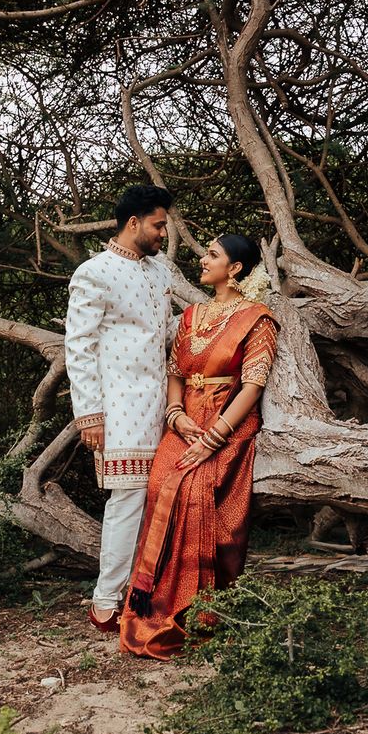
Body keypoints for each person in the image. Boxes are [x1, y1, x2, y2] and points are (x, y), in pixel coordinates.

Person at [119, 233, 279, 659]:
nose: (203, 260)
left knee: (196, 493)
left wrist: (214, 437)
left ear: (237, 269)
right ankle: (152, 600)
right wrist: (175, 414)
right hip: (185, 419)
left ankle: (202, 606)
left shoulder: (257, 318)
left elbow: (253, 385)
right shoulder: (191, 315)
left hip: (229, 421)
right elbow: (175, 370)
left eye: (213, 254)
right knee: (160, 488)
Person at [65, 184, 175, 631]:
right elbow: (79, 346)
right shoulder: (95, 272)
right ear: (134, 223)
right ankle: (105, 602)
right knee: (127, 501)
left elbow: (169, 335)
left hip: (163, 406)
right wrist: (89, 414)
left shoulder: (161, 271)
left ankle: (141, 590)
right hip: (120, 407)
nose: (163, 234)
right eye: (159, 224)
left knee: (158, 500)